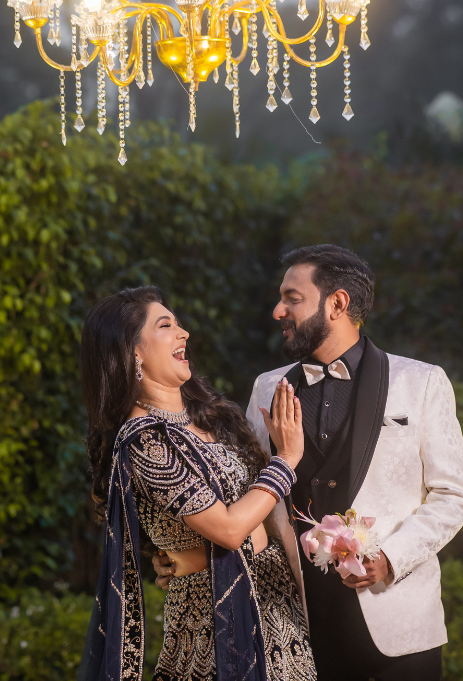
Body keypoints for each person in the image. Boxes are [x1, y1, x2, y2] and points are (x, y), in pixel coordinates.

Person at [243, 244, 463, 681]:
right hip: (296, 630)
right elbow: (249, 493)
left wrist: (391, 556)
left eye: (292, 298)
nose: (278, 311)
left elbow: (454, 495)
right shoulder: (266, 388)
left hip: (400, 630)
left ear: (337, 304)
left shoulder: (422, 382)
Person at [77, 285, 317, 681]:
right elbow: (230, 530)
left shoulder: (212, 418)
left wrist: (191, 557)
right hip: (214, 631)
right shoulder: (145, 441)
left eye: (178, 323)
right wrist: (287, 459)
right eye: (166, 325)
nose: (183, 332)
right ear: (133, 352)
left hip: (279, 612)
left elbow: (256, 518)